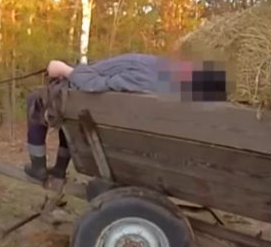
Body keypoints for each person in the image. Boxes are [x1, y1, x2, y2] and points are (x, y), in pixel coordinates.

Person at [23, 53, 228, 182]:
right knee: (70, 116)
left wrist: (65, 70)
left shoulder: (153, 77)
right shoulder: (166, 75)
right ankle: (59, 169)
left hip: (83, 98)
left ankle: (39, 167)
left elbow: (94, 84)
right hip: (84, 91)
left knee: (37, 101)